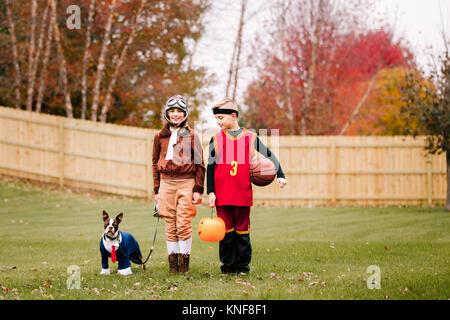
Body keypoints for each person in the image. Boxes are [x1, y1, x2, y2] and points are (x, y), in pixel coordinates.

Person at [207, 97, 287, 274]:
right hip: (222, 194)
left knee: (242, 231)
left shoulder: (251, 137)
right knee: (226, 232)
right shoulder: (216, 139)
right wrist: (210, 191)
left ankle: (242, 266)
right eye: (216, 119)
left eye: (221, 118)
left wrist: (280, 175)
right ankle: (228, 266)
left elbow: (269, 155)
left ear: (233, 116)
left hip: (242, 193)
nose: (218, 122)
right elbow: (210, 167)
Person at [152, 95, 205, 274]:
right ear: (166, 113)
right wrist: (156, 190)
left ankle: (184, 266)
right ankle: (173, 267)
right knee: (170, 224)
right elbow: (154, 163)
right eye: (172, 111)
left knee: (183, 223)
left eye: (179, 111)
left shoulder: (192, 135)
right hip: (166, 184)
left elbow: (200, 164)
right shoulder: (159, 136)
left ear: (185, 114)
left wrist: (198, 189)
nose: (175, 114)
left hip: (186, 183)